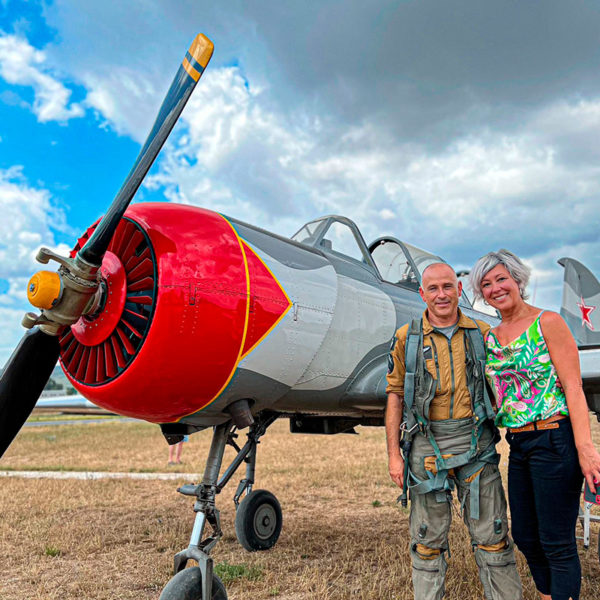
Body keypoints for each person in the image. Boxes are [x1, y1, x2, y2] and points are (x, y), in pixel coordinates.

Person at [386, 262, 522, 600]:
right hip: (426, 447)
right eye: (433, 288)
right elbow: (395, 396)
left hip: (476, 445)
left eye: (448, 286)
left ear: (459, 290)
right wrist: (393, 455)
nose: (442, 295)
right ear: (422, 294)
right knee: (427, 542)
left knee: (493, 538)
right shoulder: (407, 339)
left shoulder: (481, 335)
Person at [470, 249, 600, 600]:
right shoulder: (490, 338)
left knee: (556, 542)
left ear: (518, 280)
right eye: (486, 283)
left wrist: (586, 450)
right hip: (519, 444)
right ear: (480, 293)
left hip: (555, 439)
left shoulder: (548, 323)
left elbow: (574, 388)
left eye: (501, 279)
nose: (496, 288)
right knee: (526, 536)